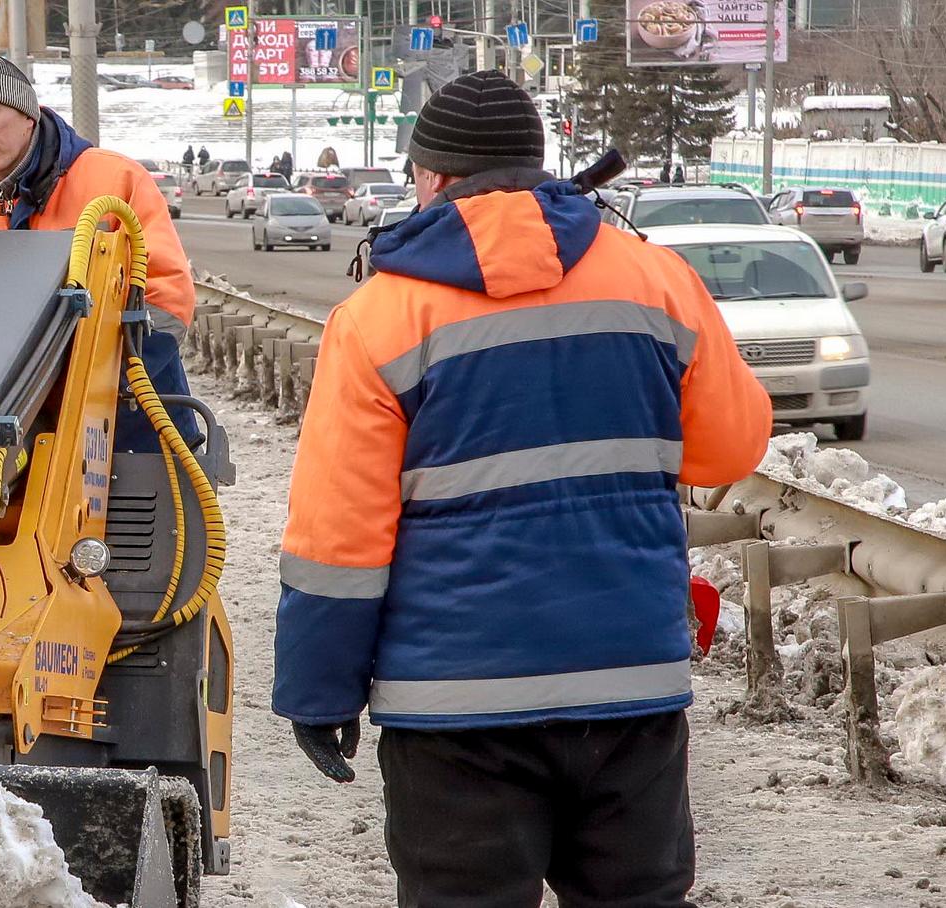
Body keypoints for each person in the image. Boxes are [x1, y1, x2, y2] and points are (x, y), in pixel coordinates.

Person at [270, 71, 771, 906]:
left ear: (429, 178)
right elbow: (729, 447)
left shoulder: (379, 318)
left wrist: (319, 691)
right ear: (539, 166)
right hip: (627, 684)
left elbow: (339, 537)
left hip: (455, 704)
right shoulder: (657, 279)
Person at [0, 53, 198, 451]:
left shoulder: (114, 181)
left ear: (27, 114)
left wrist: (94, 387)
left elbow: (166, 297)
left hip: (132, 431)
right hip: (1, 448)